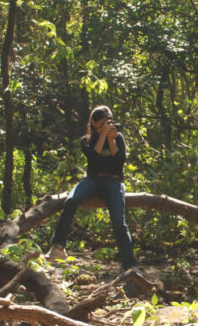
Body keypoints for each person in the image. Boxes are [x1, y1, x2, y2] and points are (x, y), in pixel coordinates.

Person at [47, 105, 138, 268]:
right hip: (93, 179)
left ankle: (131, 266)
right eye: (104, 122)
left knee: (118, 221)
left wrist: (111, 139)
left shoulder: (118, 137)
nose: (109, 124)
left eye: (110, 120)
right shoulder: (86, 140)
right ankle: (58, 247)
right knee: (71, 201)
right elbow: (94, 160)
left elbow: (119, 162)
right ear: (95, 123)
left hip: (114, 181)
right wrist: (102, 136)